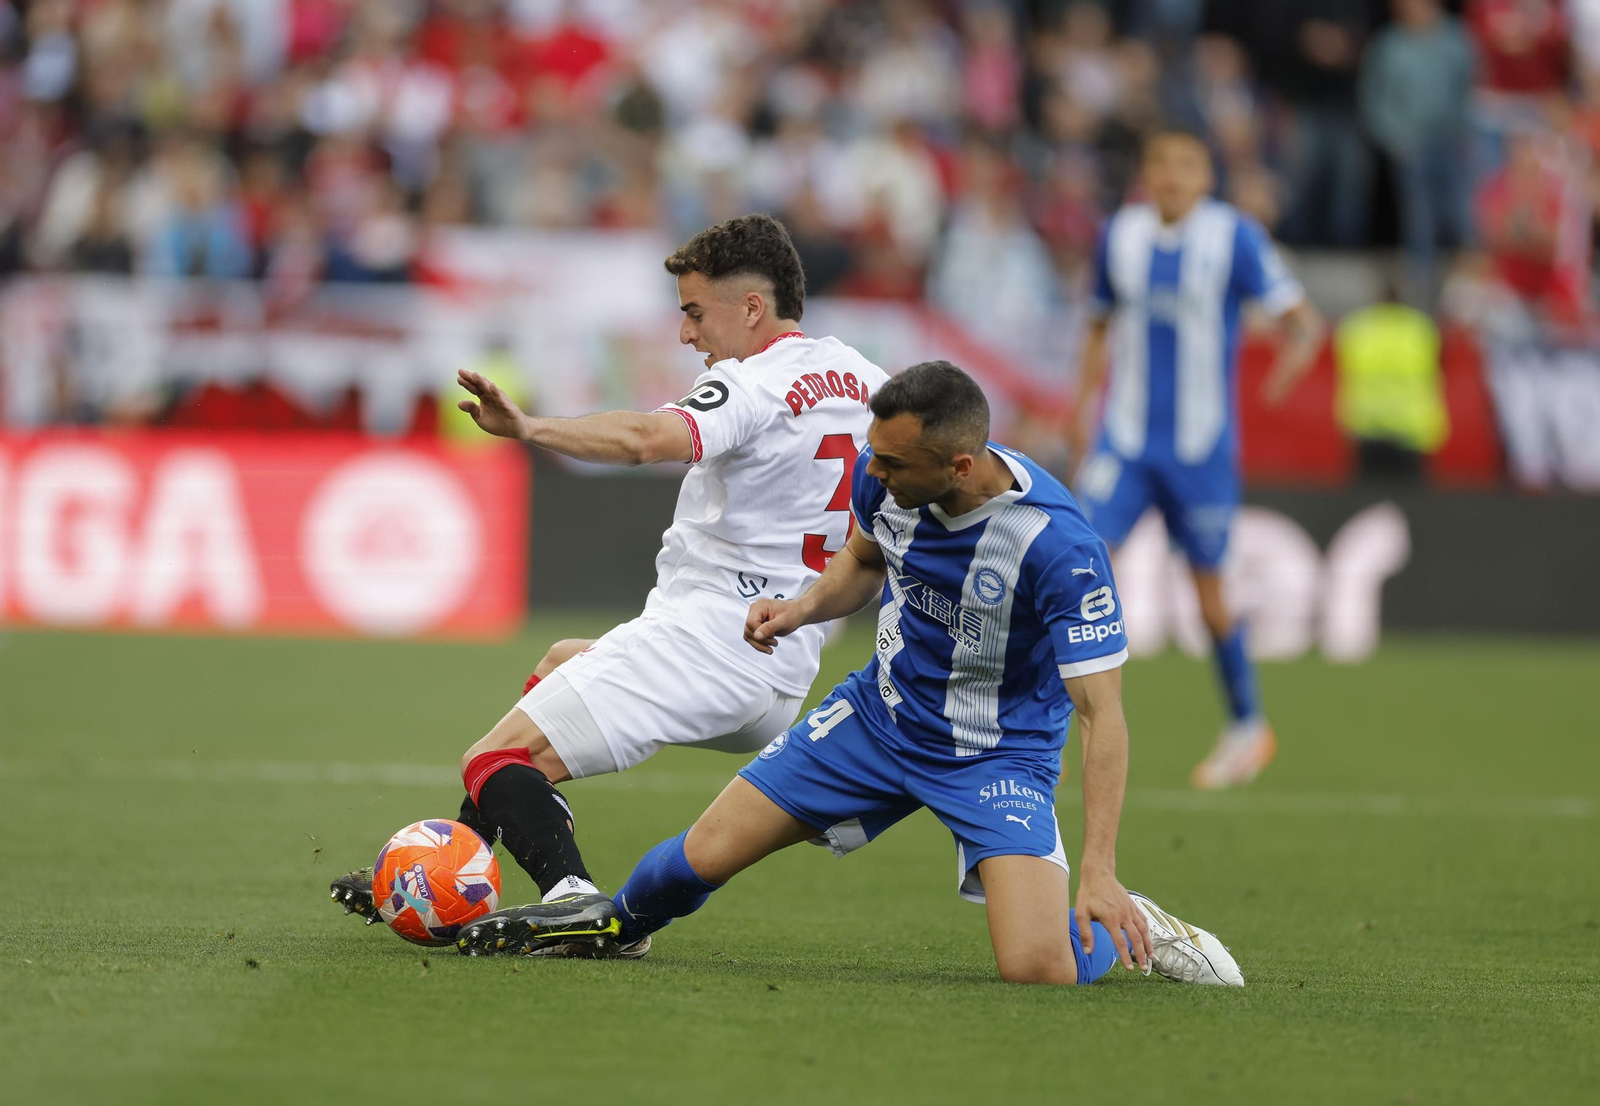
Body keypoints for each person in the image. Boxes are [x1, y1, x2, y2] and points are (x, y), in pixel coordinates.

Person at [458, 362, 1244, 989]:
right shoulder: (886, 474)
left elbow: (1104, 715)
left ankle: (1128, 922)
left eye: (896, 462)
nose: (874, 471)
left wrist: (1098, 869)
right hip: (877, 719)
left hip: (996, 756)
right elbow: (864, 562)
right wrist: (800, 609)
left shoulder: (1059, 548)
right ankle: (614, 926)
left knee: (1036, 966)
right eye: (875, 451)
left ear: (960, 465)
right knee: (700, 855)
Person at [329, 214, 889, 955]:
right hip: (782, 663)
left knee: (493, 760)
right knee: (561, 661)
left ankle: (576, 900)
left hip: (715, 638)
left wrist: (529, 428)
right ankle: (449, 870)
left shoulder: (754, 383)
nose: (688, 335)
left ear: (751, 307)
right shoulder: (873, 382)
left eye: (694, 312)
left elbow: (643, 440)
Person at [1068, 127, 1325, 791]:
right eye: (1161, 162)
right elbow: (1098, 323)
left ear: (1207, 176)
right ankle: (1036, 727)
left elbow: (1304, 321)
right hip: (1124, 441)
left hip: (1201, 448)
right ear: (1145, 174)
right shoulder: (1118, 235)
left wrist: (1292, 362)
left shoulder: (1232, 236)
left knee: (1211, 598)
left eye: (1187, 164)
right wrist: (1078, 406)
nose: (1173, 175)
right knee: (1073, 569)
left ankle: (1247, 726)